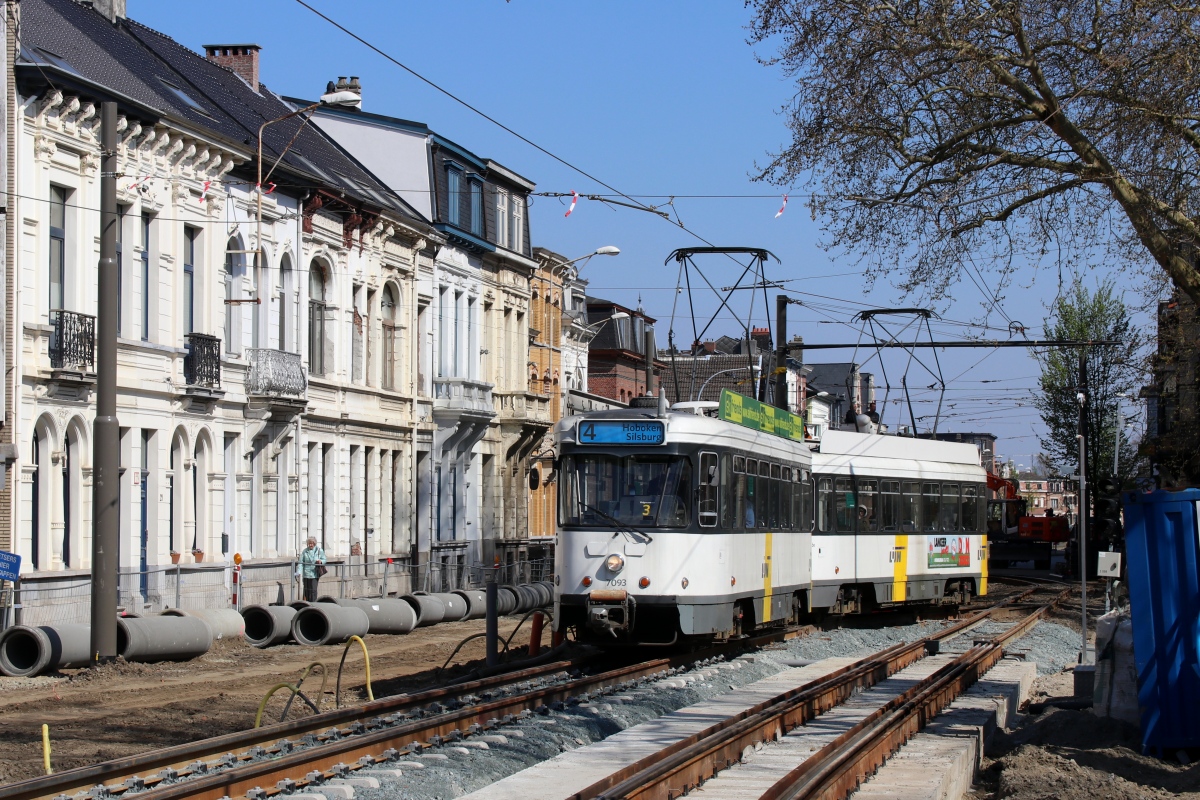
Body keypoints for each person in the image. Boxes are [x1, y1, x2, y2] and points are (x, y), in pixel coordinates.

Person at [299, 537, 326, 602]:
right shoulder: (305, 551)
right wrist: (298, 572)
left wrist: (321, 561)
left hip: (315, 574)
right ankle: (308, 604)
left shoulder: (319, 550)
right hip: (306, 574)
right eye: (309, 543)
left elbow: (324, 559)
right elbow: (300, 562)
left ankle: (314, 603)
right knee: (306, 591)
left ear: (314, 543)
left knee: (313, 590)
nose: (310, 545)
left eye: (312, 543)